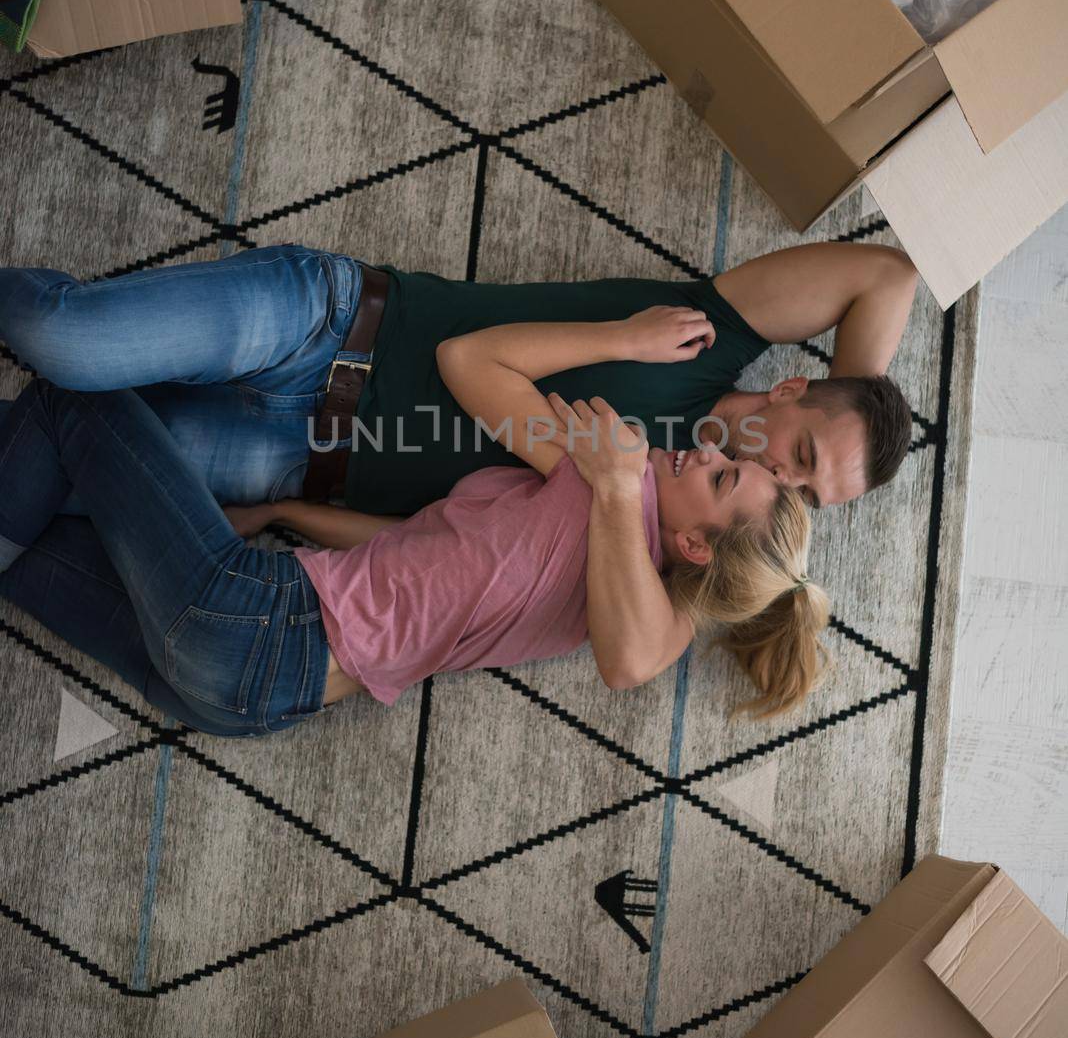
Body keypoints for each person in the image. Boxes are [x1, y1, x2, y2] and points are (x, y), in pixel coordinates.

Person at [0, 308, 828, 739]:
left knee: (77, 395)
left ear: (693, 543)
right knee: (24, 545)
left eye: (721, 476)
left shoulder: (613, 502)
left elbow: (468, 360)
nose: (701, 449)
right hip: (246, 696)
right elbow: (419, 555)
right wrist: (289, 512)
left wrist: (615, 475)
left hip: (258, 631)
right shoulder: (631, 587)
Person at [0, 239, 918, 525]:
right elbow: (888, 276)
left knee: (58, 470)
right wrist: (861, 403)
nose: (789, 486)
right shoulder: (703, 335)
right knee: (68, 346)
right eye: (801, 454)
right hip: (332, 325)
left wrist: (817, 458)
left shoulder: (656, 506)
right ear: (795, 387)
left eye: (806, 493)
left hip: (295, 462)